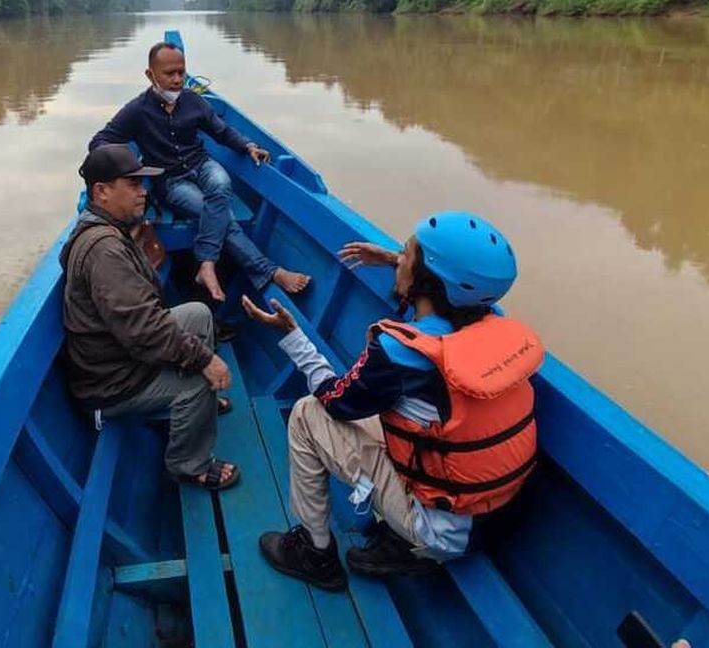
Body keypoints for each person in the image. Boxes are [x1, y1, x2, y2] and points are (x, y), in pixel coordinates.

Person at [242, 211, 543, 590]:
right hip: (497, 518)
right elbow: (443, 296)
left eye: (405, 252)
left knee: (306, 414)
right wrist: (395, 262)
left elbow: (337, 400)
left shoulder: (399, 354)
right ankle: (402, 535)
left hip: (443, 532)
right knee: (409, 422)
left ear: (428, 281)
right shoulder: (492, 329)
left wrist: (293, 336)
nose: (397, 257)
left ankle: (315, 554)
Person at [60, 144, 240, 490]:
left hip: (120, 354)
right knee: (200, 379)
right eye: (133, 184)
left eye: (143, 183)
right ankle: (188, 465)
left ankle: (196, 410)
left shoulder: (107, 229)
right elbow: (142, 329)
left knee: (198, 314)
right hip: (112, 381)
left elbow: (141, 321)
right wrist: (204, 360)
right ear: (101, 192)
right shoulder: (104, 249)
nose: (144, 192)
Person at [89, 41, 310, 303]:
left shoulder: (193, 101)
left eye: (181, 72)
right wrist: (125, 165)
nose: (177, 80)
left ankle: (206, 262)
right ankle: (266, 271)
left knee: (221, 184)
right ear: (150, 75)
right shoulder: (137, 110)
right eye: (169, 74)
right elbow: (101, 140)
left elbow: (221, 130)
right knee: (217, 213)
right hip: (170, 180)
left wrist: (248, 145)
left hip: (201, 164)